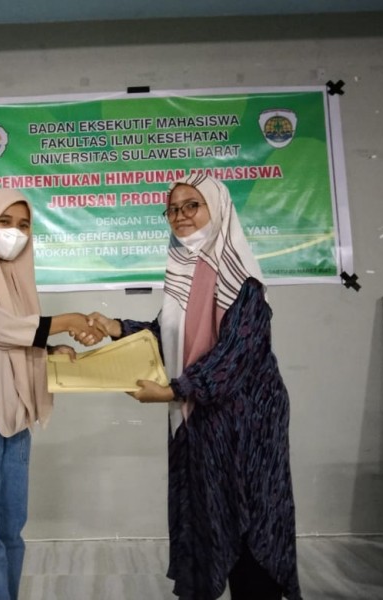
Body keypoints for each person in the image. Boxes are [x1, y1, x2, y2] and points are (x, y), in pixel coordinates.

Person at [89, 174, 302, 600]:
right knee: (207, 518)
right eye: (172, 209)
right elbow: (169, 337)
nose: (180, 215)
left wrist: (172, 391)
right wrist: (116, 328)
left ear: (217, 210)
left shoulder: (242, 281)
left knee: (249, 522)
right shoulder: (185, 274)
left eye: (192, 205)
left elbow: (235, 356)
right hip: (201, 421)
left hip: (245, 425)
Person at [0, 188, 105, 600]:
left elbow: (18, 336)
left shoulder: (13, 274)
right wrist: (66, 321)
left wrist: (49, 348)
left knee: (11, 529)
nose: (15, 233)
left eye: (24, 225)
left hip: (16, 409)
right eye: (5, 222)